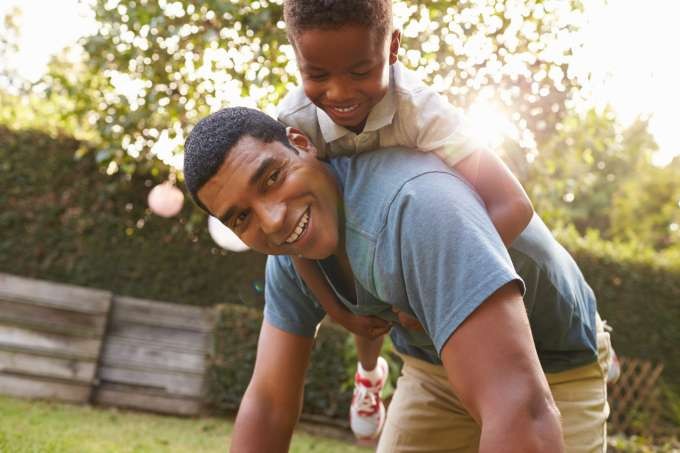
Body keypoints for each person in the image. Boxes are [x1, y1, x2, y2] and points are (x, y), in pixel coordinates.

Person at [183, 107, 612, 453]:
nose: (273, 220)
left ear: (301, 144)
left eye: (273, 177)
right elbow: (270, 405)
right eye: (242, 217)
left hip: (555, 363)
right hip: (432, 369)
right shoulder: (293, 257)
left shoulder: (413, 205)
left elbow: (520, 411)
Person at [277, 0, 534, 438]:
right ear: (296, 57)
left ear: (393, 47)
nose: (338, 92)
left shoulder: (422, 112)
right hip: (357, 235)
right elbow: (294, 234)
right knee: (358, 271)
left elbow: (513, 206)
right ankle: (369, 373)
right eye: (317, 75)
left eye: (360, 72)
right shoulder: (296, 122)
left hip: (419, 227)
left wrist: (437, 290)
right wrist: (339, 312)